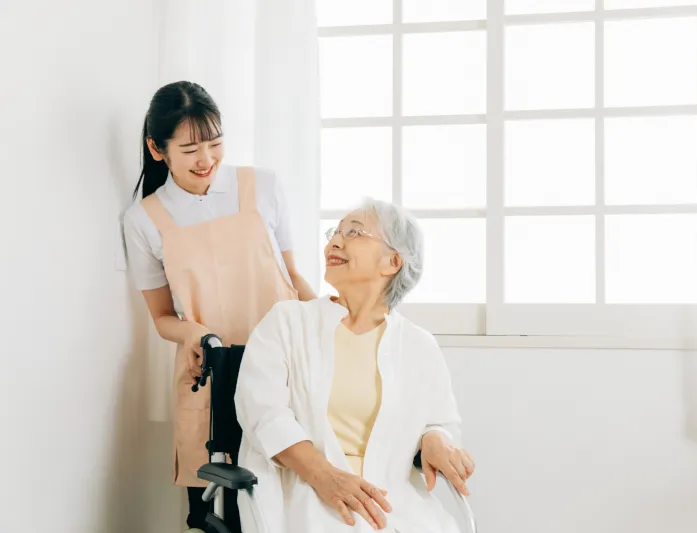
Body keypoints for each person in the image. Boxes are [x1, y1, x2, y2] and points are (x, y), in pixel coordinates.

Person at [123, 81, 315, 533]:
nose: (206, 159)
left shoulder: (261, 186)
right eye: (190, 148)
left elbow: (294, 279)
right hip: (210, 371)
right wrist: (191, 333)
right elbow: (162, 318)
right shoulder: (144, 219)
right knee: (219, 510)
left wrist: (333, 324)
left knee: (292, 494)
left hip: (283, 364)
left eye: (214, 143)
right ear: (157, 148)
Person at [234, 199, 475, 533]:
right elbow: (263, 413)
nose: (334, 241)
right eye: (335, 232)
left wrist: (434, 438)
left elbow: (441, 421)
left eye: (355, 232)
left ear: (392, 261)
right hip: (307, 492)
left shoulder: (419, 345)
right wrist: (326, 477)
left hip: (394, 501)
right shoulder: (287, 322)